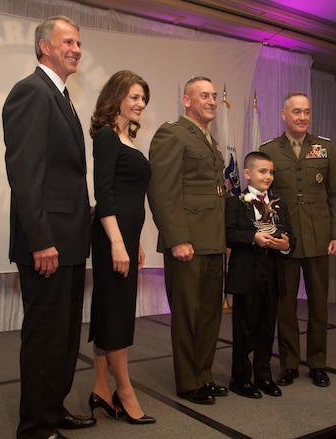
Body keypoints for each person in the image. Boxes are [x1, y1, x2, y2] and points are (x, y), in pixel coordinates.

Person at [3, 16, 95, 439]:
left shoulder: (62, 96)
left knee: (64, 338)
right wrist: (41, 241)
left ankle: (53, 409)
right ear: (44, 47)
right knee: (45, 338)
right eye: (67, 41)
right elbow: (25, 176)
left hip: (71, 242)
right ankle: (36, 426)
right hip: (47, 245)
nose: (76, 48)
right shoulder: (31, 92)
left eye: (78, 42)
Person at [146, 76, 229, 405]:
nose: (210, 101)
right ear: (186, 100)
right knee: (187, 314)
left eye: (212, 95)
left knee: (210, 314)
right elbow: (162, 192)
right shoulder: (172, 133)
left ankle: (204, 374)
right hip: (188, 242)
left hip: (212, 240)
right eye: (203, 95)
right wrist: (177, 238)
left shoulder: (211, 141)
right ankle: (187, 381)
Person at [259, 91, 336, 388]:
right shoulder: (268, 150)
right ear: (284, 115)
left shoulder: (325, 148)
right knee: (285, 306)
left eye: (306, 112)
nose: (302, 117)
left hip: (319, 237)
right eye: (296, 112)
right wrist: (269, 236)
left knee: (319, 306)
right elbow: (264, 198)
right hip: (285, 239)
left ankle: (318, 363)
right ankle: (289, 364)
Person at [87, 70, 155, 425]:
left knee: (109, 309)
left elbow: (130, 197)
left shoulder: (125, 139)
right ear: (116, 97)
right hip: (111, 237)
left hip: (125, 237)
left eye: (143, 98)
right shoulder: (107, 138)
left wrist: (135, 242)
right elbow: (105, 194)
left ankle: (101, 388)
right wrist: (116, 243)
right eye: (134, 97)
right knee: (116, 312)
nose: (140, 103)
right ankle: (124, 391)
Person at [225, 151, 294, 399]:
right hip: (247, 273)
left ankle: (263, 375)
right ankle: (240, 378)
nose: (268, 176)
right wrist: (253, 238)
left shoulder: (279, 204)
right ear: (247, 174)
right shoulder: (235, 202)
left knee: (267, 327)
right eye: (262, 171)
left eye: (271, 172)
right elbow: (228, 233)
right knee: (245, 328)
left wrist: (285, 243)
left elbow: (291, 238)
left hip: (272, 272)